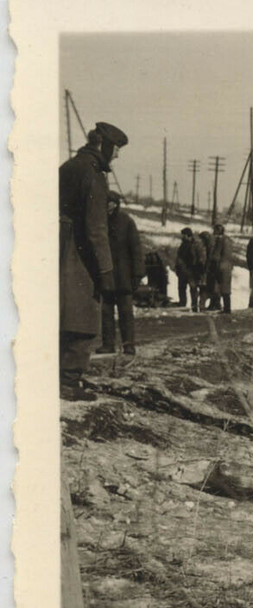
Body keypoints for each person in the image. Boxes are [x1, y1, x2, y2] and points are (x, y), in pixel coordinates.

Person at [59, 121, 129, 400]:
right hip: (78, 253)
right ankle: (68, 379)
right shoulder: (94, 176)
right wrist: (106, 271)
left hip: (56, 245)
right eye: (116, 149)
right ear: (104, 145)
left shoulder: (69, 166)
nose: (117, 156)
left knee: (60, 310)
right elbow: (96, 229)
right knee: (85, 314)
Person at [97, 192, 145, 355]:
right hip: (107, 276)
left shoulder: (126, 222)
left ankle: (128, 344)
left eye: (110, 203)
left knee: (126, 312)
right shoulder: (100, 222)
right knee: (106, 312)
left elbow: (136, 250)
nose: (107, 206)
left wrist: (138, 274)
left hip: (124, 277)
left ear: (116, 204)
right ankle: (108, 344)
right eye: (106, 203)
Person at [206, 223, 235, 313]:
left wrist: (211, 259)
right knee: (226, 287)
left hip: (220, 266)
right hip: (227, 266)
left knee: (220, 287)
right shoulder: (228, 240)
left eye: (215, 230)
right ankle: (225, 307)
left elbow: (216, 255)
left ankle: (225, 308)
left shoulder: (220, 241)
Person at [174, 228, 199, 309]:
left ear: (188, 235)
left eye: (183, 235)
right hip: (183, 270)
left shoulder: (193, 245)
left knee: (193, 288)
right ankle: (182, 303)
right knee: (181, 288)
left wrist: (192, 268)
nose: (182, 237)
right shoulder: (183, 244)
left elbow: (194, 258)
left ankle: (194, 305)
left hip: (191, 270)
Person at [196, 230, 213, 309]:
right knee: (205, 288)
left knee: (204, 288)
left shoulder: (207, 249)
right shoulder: (207, 247)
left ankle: (202, 305)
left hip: (206, 271)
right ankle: (203, 304)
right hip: (206, 270)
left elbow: (205, 260)